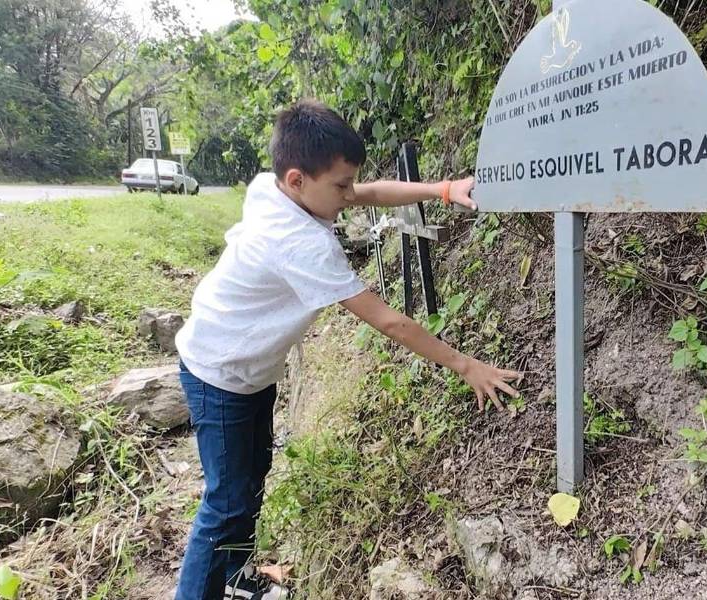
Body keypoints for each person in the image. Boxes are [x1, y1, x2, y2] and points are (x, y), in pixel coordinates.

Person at [173, 99, 522, 600]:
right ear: (298, 179)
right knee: (225, 502)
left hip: (247, 368)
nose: (348, 195)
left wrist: (443, 189)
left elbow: (369, 192)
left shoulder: (274, 187)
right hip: (218, 374)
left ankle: (236, 579)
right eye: (339, 187)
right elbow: (389, 321)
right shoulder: (299, 243)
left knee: (250, 481)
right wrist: (466, 366)